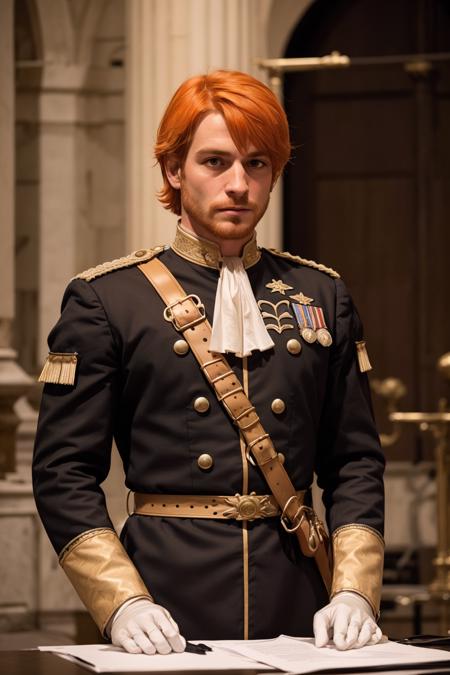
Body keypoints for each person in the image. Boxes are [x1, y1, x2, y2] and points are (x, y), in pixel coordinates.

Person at [33, 70, 385, 656]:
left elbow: (354, 461)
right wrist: (121, 601)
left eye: (257, 164)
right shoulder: (107, 300)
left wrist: (354, 591)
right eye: (215, 162)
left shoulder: (322, 296)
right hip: (164, 609)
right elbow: (64, 473)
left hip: (301, 605)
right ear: (174, 170)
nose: (239, 185)